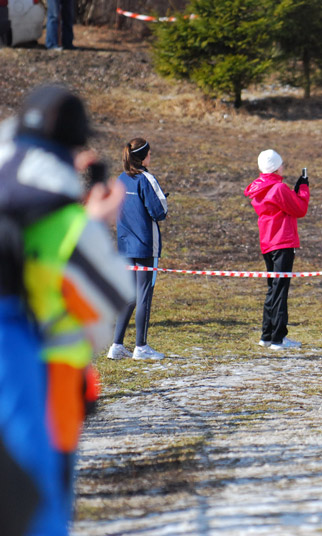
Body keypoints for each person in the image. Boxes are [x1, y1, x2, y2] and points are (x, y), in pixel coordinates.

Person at [0, 85, 134, 532]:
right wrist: (94, 224)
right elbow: (112, 300)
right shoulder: (62, 220)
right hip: (43, 383)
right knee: (39, 504)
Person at [108, 138, 169, 361]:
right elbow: (160, 211)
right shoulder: (147, 179)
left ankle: (116, 345)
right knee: (143, 295)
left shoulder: (121, 179)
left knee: (129, 295)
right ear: (143, 156)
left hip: (125, 245)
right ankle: (141, 347)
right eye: (150, 154)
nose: (151, 157)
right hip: (145, 245)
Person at [245, 149, 310, 349]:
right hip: (283, 241)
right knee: (280, 290)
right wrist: (303, 189)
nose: (283, 167)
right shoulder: (278, 188)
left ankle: (267, 334)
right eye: (281, 164)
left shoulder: (259, 188)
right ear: (275, 166)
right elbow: (300, 209)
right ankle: (278, 338)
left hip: (267, 241)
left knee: (273, 288)